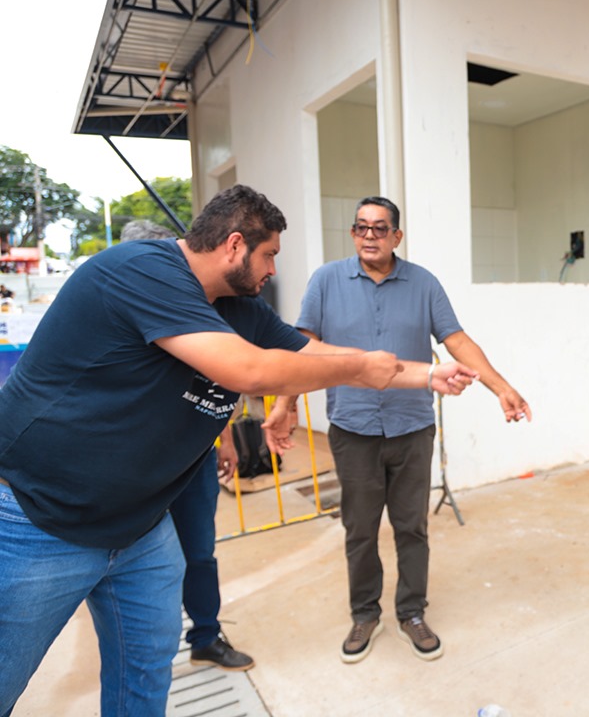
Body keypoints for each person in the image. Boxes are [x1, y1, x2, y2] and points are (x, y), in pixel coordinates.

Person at [0, 184, 476, 716]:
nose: (273, 270)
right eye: (269, 254)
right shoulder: (139, 270)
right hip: (36, 517)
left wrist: (427, 373)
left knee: (145, 674)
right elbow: (248, 370)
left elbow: (312, 352)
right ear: (233, 246)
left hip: (139, 526)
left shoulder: (241, 308)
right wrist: (362, 369)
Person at [269, 195, 530, 664]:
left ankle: (411, 611)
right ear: (353, 234)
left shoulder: (423, 284)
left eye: (380, 228)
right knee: (360, 529)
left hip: (411, 429)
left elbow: (456, 340)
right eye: (361, 227)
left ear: (396, 236)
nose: (370, 236)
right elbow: (302, 348)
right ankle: (364, 614)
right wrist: (286, 404)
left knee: (412, 528)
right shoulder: (326, 281)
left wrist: (501, 386)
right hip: (353, 430)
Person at [120, 218, 255, 671]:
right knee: (132, 562)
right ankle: (142, 650)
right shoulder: (118, 313)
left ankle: (206, 634)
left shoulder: (198, 313)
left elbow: (215, 382)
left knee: (199, 552)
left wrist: (228, 439)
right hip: (135, 465)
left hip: (194, 460)